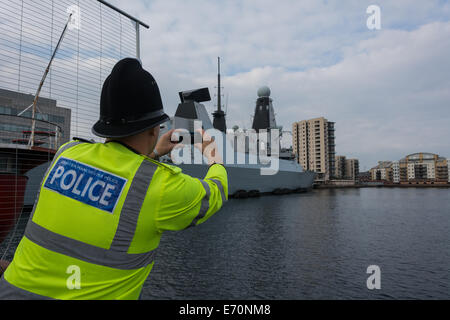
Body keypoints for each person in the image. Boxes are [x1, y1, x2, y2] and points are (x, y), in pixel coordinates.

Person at [0, 58, 228, 300]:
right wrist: (212, 154)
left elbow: (121, 173)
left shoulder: (66, 153)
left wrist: (154, 153)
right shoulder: (162, 186)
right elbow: (216, 192)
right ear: (155, 129)